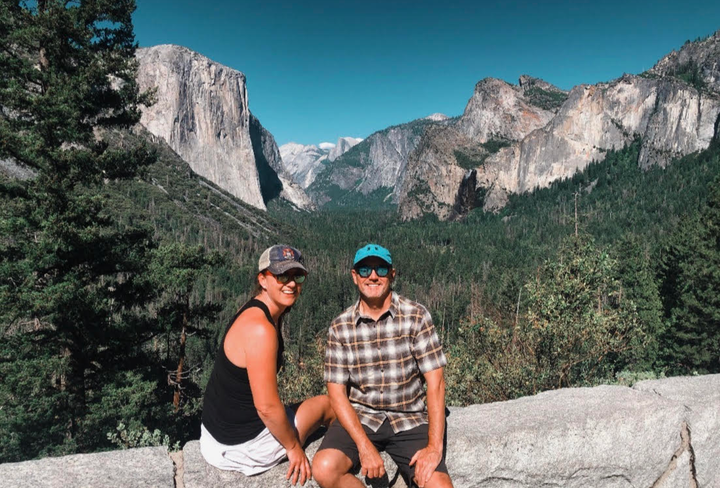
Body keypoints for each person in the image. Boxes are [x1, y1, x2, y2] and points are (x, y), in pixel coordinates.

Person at [313, 244, 454, 488]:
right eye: (365, 269)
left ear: (392, 274)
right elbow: (336, 394)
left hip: (409, 418)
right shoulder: (340, 327)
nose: (373, 276)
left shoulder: (416, 316)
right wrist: (364, 446)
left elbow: (436, 382)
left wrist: (434, 447)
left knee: (439, 485)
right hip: (361, 417)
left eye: (381, 269)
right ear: (355, 277)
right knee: (325, 468)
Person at [200, 244, 334, 486]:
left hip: (214, 437)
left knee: (296, 407)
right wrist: (293, 447)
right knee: (328, 405)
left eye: (297, 276)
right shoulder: (261, 329)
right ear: (262, 280)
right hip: (243, 448)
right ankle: (341, 459)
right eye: (282, 275)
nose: (291, 283)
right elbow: (266, 407)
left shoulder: (252, 309)